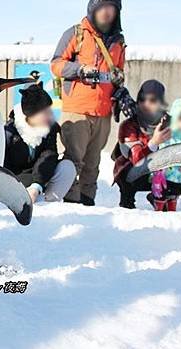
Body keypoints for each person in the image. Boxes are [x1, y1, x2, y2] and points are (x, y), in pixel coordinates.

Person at [51, 0, 126, 206]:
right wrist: (79, 70)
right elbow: (56, 64)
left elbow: (118, 74)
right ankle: (70, 202)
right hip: (77, 110)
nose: (106, 13)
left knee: (93, 163)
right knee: (73, 160)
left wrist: (121, 92)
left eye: (111, 8)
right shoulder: (77, 34)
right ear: (93, 9)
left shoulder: (119, 41)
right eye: (102, 7)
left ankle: (87, 203)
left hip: (103, 112)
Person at [113, 80, 181, 209]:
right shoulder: (129, 125)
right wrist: (154, 142)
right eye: (142, 100)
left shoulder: (171, 122)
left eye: (152, 100)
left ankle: (168, 196)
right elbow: (136, 160)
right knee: (127, 171)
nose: (146, 104)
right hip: (137, 172)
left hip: (164, 171)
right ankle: (127, 202)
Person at [4, 83, 76, 203]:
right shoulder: (9, 131)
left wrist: (37, 185)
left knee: (67, 167)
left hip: (39, 180)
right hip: (14, 183)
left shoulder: (50, 128)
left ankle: (46, 203)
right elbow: (4, 168)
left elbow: (49, 156)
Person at [150, 99, 181, 212]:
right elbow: (159, 153)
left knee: (174, 195)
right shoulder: (167, 134)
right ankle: (158, 208)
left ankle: (172, 211)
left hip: (178, 177)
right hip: (163, 177)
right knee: (161, 196)